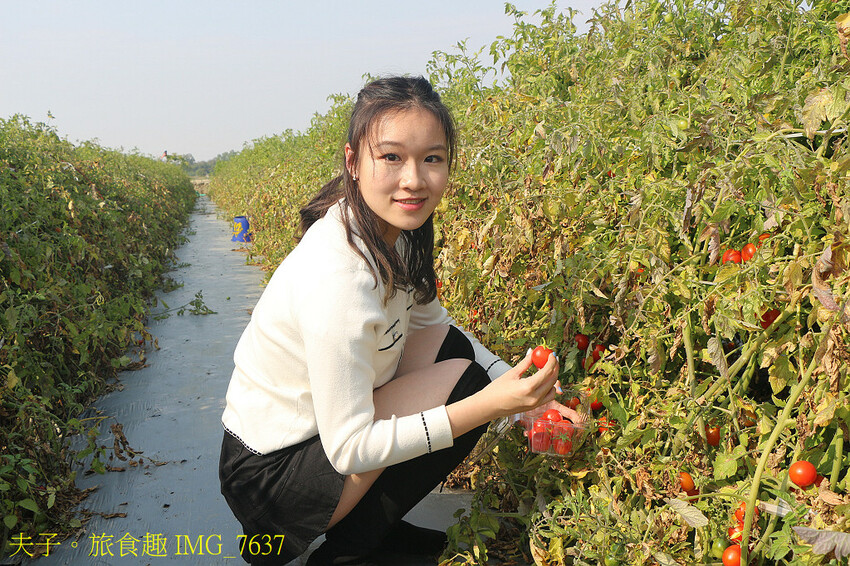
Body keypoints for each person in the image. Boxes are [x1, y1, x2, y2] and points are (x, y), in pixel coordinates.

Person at [219, 75, 575, 566]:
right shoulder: (338, 277)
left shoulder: (394, 232)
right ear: (353, 162)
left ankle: (374, 531)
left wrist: (524, 403)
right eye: (391, 157)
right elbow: (349, 451)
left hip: (310, 444)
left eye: (432, 158)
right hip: (271, 484)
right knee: (467, 390)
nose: (414, 179)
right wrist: (488, 406)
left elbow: (438, 327)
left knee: (455, 356)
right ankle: (348, 553)